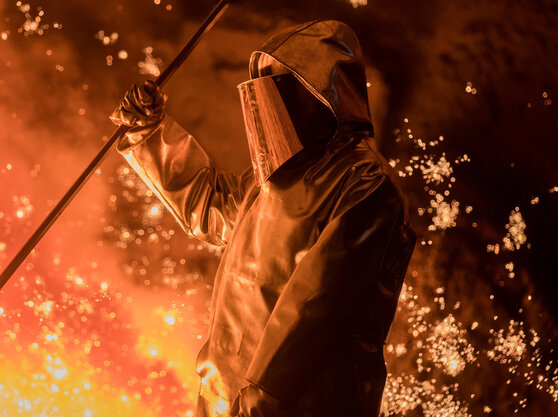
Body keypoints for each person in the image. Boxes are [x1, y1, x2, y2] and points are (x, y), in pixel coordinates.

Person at [110, 20, 415, 417]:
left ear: (323, 95)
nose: (273, 102)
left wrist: (259, 403)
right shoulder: (269, 183)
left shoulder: (366, 185)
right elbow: (207, 202)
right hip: (227, 398)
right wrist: (149, 131)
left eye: (283, 86)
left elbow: (315, 308)